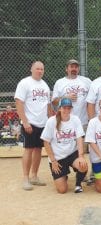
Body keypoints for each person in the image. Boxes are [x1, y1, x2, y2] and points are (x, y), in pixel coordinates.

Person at [15, 61, 52, 191]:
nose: (40, 71)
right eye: (37, 69)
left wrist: (50, 120)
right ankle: (26, 178)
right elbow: (19, 102)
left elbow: (47, 105)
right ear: (31, 69)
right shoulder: (25, 83)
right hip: (30, 123)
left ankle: (34, 176)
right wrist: (25, 121)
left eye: (42, 69)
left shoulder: (44, 85)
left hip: (42, 123)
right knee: (29, 149)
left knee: (38, 150)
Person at [41, 98, 88, 194]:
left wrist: (81, 156)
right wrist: (53, 161)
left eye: (69, 108)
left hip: (71, 154)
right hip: (58, 158)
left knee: (83, 165)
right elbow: (46, 142)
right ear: (59, 108)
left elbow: (79, 138)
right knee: (62, 190)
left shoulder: (75, 119)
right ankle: (64, 175)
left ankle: (78, 185)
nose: (66, 110)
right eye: (64, 108)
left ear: (71, 109)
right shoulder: (52, 121)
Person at [52, 59, 91, 128]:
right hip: (65, 122)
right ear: (66, 69)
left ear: (78, 69)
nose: (74, 69)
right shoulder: (60, 82)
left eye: (76, 67)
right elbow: (54, 102)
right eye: (71, 67)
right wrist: (65, 98)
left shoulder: (86, 81)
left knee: (82, 139)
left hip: (83, 123)